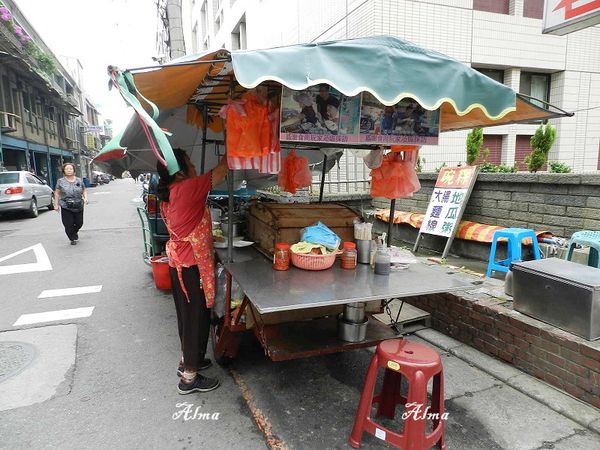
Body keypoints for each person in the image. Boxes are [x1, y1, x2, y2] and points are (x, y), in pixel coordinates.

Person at [157, 148, 228, 395]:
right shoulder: (186, 189)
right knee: (194, 319)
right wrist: (237, 140)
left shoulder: (170, 192)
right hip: (190, 267)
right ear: (179, 172)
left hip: (180, 265)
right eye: (190, 164)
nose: (195, 169)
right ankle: (189, 377)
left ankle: (192, 360)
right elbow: (222, 170)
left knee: (189, 317)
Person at [54, 163, 88, 245]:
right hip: (66, 205)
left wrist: (86, 198)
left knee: (79, 223)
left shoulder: (79, 180)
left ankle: (74, 232)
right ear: (64, 171)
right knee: (68, 224)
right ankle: (72, 238)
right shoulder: (60, 181)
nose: (69, 170)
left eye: (70, 169)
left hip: (78, 204)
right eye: (67, 169)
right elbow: (57, 193)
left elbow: (84, 190)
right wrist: (56, 204)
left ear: (74, 170)